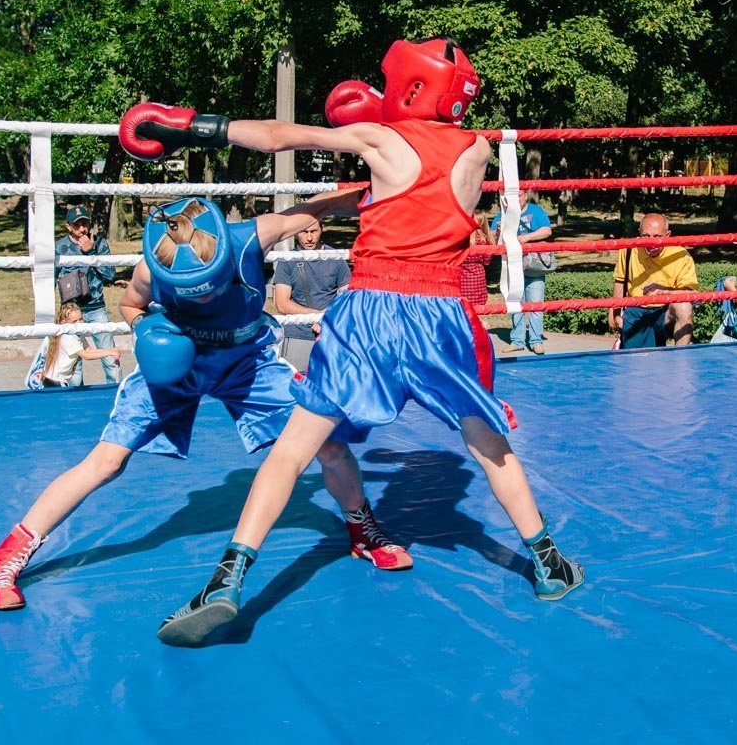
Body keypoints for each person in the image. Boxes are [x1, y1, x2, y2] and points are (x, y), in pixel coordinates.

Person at [119, 36, 583, 647]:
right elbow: (425, 175)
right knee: (488, 445)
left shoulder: (381, 139)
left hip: (370, 312)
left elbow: (279, 136)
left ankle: (226, 581)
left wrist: (192, 127)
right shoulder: (478, 147)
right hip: (444, 314)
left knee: (291, 451)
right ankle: (549, 564)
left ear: (410, 87)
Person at [0, 193, 412, 613]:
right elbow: (130, 304)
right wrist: (146, 330)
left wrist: (398, 191)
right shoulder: (150, 268)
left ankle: (362, 530)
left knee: (328, 441)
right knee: (107, 461)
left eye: (208, 286)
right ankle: (4, 559)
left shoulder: (252, 237)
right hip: (177, 359)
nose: (203, 297)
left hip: (247, 362)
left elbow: (322, 205)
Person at [55, 205, 128, 385]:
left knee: (110, 357)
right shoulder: (59, 247)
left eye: (85, 223)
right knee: (74, 363)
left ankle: (115, 392)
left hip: (96, 308)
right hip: (71, 312)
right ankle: (75, 396)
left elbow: (110, 275)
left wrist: (91, 252)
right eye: (77, 225)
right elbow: (50, 278)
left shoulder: (100, 243)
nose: (82, 229)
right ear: (68, 226)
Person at [607, 213, 697, 348]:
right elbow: (620, 281)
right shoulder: (628, 249)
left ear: (667, 235)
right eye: (646, 236)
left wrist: (664, 291)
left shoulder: (681, 255)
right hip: (636, 309)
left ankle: (681, 356)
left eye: (657, 237)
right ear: (639, 233)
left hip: (665, 310)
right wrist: (614, 314)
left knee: (684, 306)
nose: (651, 242)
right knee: (638, 358)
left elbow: (691, 294)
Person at [272, 218, 351, 372]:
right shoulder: (287, 260)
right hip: (297, 336)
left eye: (314, 231)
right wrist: (316, 316)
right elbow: (282, 304)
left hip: (331, 335)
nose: (309, 237)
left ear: (322, 229)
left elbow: (347, 298)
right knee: (296, 383)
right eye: (304, 232)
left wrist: (327, 318)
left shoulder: (335, 258)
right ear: (296, 233)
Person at [493, 191, 553, 354]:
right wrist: (499, 231)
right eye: (513, 195)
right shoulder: (504, 213)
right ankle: (517, 341)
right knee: (515, 304)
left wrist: (527, 237)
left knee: (536, 305)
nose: (516, 199)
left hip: (534, 265)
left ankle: (536, 341)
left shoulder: (536, 211)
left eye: (519, 195)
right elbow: (493, 239)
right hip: (513, 266)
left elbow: (547, 231)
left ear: (526, 196)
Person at [41, 302, 121, 387]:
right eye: (74, 321)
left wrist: (110, 350)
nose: (79, 323)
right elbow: (86, 355)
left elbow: (89, 350)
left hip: (60, 379)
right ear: (64, 322)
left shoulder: (77, 332)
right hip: (55, 380)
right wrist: (109, 353)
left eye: (81, 319)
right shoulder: (68, 337)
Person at [460, 212, 493, 309]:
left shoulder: (462, 237)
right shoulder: (484, 239)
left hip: (462, 273)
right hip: (477, 274)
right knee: (477, 307)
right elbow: (487, 261)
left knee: (462, 306)